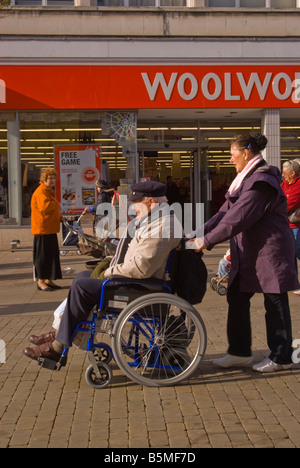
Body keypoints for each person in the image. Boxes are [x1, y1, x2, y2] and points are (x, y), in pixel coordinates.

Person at [23, 181, 182, 363]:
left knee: (83, 286)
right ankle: (60, 335)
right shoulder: (157, 220)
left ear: (151, 202)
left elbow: (141, 268)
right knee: (82, 277)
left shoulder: (162, 226)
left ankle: (58, 347)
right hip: (138, 282)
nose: (133, 207)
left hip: (142, 287)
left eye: (136, 202)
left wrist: (110, 271)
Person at [189, 133, 299, 373]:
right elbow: (222, 214)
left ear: (247, 153)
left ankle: (281, 357)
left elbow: (237, 219)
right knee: (236, 296)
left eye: (232, 154)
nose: (230, 159)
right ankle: (239, 352)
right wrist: (196, 234)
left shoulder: (262, 182)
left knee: (275, 300)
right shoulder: (244, 180)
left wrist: (205, 242)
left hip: (270, 251)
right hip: (249, 251)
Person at [31, 168, 63, 292]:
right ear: (44, 179)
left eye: (54, 178)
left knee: (51, 256)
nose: (53, 180)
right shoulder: (41, 192)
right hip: (42, 230)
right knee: (42, 257)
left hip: (50, 229)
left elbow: (52, 208)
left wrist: (59, 216)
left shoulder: (49, 192)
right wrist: (57, 204)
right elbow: (45, 207)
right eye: (50, 178)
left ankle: (48, 279)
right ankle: (40, 280)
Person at [281, 160, 300, 296]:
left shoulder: (298, 184)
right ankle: (294, 282)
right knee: (290, 254)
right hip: (287, 225)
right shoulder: (285, 183)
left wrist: (278, 206)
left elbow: (290, 202)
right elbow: (279, 197)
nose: (283, 174)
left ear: (293, 173)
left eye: (285, 172)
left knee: (297, 251)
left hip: (296, 225)